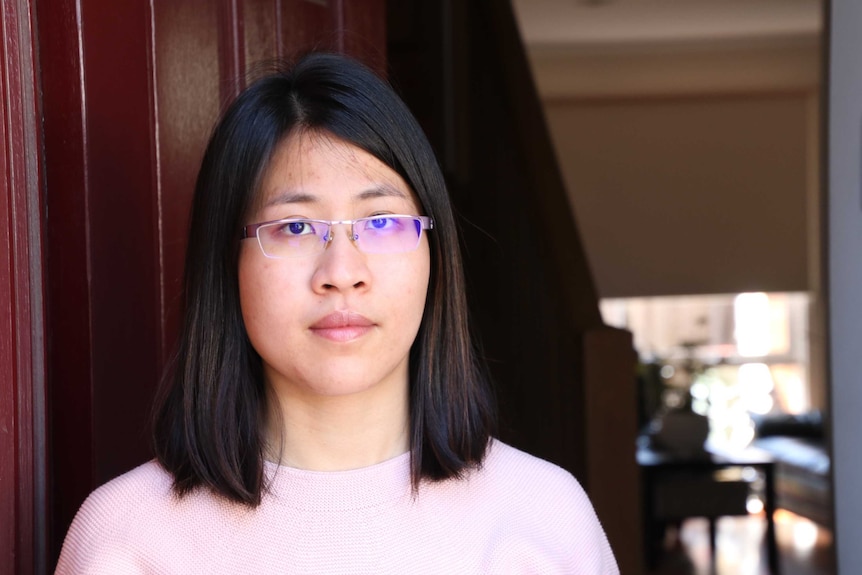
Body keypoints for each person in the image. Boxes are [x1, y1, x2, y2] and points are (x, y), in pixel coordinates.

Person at [56, 52, 619, 574]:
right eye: (295, 227)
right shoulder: (128, 537)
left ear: (434, 254)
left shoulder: (544, 515)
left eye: (381, 222)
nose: (342, 270)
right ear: (227, 263)